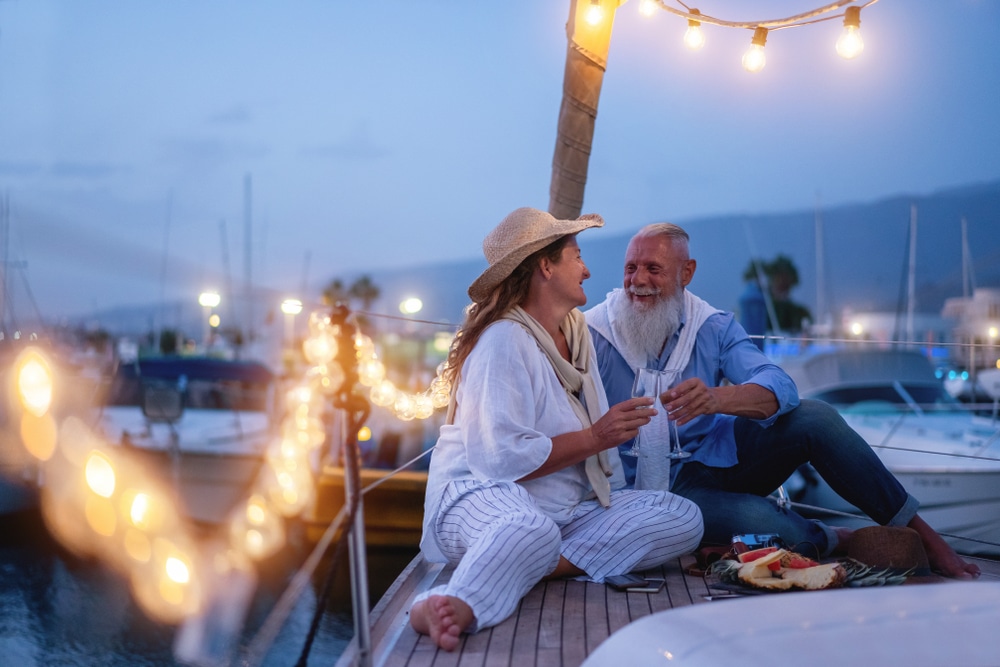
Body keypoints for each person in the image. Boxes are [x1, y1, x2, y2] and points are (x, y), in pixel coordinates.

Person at [585, 222, 981, 579]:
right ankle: (833, 536)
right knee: (782, 528)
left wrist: (717, 398)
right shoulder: (595, 333)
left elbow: (781, 386)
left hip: (712, 460)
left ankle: (922, 535)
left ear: (687, 273)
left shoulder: (713, 326)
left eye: (653, 269)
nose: (638, 281)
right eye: (630, 268)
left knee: (817, 418)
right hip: (647, 491)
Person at [409, 208, 704, 651]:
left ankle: (532, 562)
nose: (586, 269)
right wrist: (596, 437)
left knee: (681, 515)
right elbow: (499, 462)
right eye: (576, 256)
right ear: (546, 266)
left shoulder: (575, 334)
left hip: (559, 513)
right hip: (479, 496)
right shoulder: (503, 341)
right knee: (528, 529)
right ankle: (451, 601)